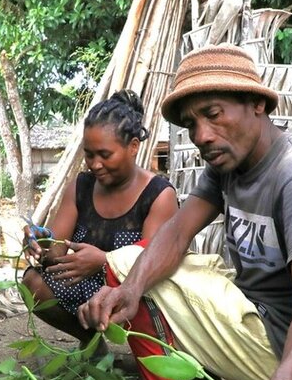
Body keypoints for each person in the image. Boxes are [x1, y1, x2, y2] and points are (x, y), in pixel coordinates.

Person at [77, 44, 292, 380]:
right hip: (255, 316)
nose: (202, 135)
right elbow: (176, 232)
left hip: (283, 346)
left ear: (257, 105)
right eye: (192, 123)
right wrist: (131, 288)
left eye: (213, 114)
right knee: (150, 268)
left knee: (123, 260)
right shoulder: (229, 165)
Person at [22, 90, 178, 355]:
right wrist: (40, 241)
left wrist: (106, 260)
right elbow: (56, 254)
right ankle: (93, 346)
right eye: (89, 154)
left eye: (105, 154)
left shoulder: (159, 195)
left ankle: (154, 356)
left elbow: (155, 261)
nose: (95, 164)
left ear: (133, 147)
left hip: (138, 289)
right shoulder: (81, 187)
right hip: (89, 291)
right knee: (33, 283)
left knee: (153, 293)